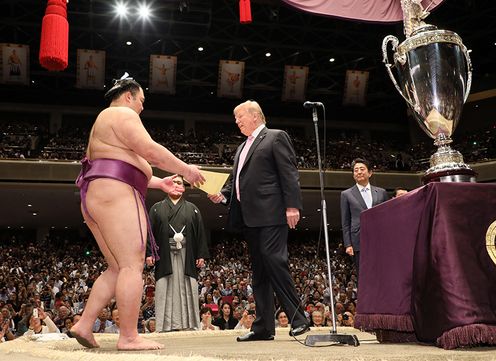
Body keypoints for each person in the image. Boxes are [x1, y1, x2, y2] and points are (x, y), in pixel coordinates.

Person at [69, 75, 205, 351]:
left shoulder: (104, 123)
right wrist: (185, 170)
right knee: (133, 265)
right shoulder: (121, 113)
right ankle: (129, 336)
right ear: (129, 96)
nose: (142, 107)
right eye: (141, 101)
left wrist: (158, 182)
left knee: (117, 268)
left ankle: (84, 324)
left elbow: (120, 163)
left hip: (98, 194)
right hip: (115, 194)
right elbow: (151, 152)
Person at [208, 100, 309, 342]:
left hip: (272, 213)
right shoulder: (242, 147)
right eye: (235, 118)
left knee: (274, 260)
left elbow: (289, 172)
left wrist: (292, 205)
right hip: (249, 217)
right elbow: (237, 183)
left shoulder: (275, 137)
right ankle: (263, 327)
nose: (237, 121)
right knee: (260, 272)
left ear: (255, 116)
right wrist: (222, 196)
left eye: (239, 116)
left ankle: (299, 319)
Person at [146, 174, 209, 332]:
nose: (176, 185)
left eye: (179, 183)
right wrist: (149, 253)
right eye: (173, 182)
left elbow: (200, 233)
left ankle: (189, 324)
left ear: (184, 187)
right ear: (167, 185)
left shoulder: (193, 209)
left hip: (188, 253)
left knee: (187, 286)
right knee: (164, 287)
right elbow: (150, 233)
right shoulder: (156, 208)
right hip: (164, 253)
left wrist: (200, 255)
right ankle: (165, 325)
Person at [340, 158, 388, 278]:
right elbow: (345, 221)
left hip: (380, 238)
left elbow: (388, 218)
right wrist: (348, 244)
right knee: (364, 275)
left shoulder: (381, 192)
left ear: (370, 173)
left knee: (383, 271)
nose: (359, 172)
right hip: (358, 239)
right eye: (356, 170)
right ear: (353, 175)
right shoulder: (346, 194)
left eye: (362, 169)